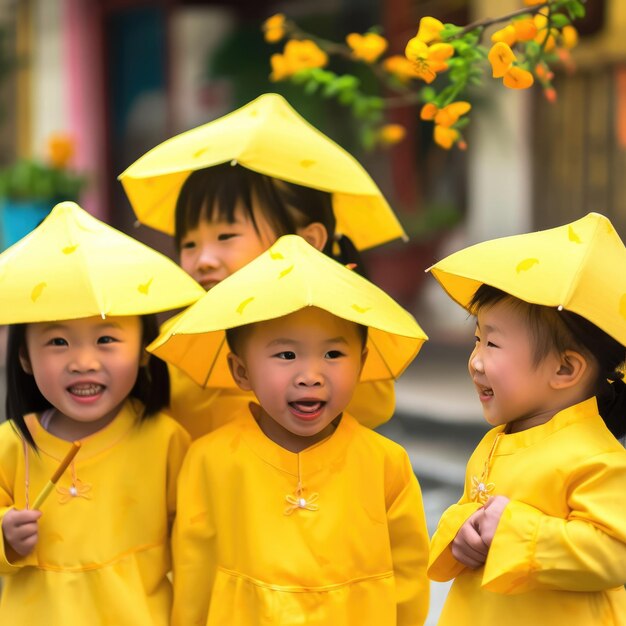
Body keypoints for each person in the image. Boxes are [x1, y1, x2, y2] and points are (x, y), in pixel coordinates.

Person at [149, 234, 431, 625]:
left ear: (362, 362)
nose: (311, 376)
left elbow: (410, 577)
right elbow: (194, 575)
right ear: (241, 370)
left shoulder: (386, 463)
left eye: (333, 354)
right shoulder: (210, 460)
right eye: (286, 355)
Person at [119, 92, 407, 440]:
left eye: (226, 236)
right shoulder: (177, 342)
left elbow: (374, 405)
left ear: (309, 240)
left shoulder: (343, 328)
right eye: (190, 243)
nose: (203, 259)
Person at [0, 202, 204, 625]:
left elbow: (194, 550)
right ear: (23, 357)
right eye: (58, 343)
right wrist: (5, 538)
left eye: (106, 339)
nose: (83, 362)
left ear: (146, 349)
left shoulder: (166, 439)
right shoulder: (9, 446)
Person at [426, 212, 626, 625]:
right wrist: (461, 531)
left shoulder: (596, 455)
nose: (475, 361)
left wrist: (515, 531)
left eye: (493, 343)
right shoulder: (499, 439)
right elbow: (471, 507)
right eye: (477, 338)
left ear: (565, 370)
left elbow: (614, 552)